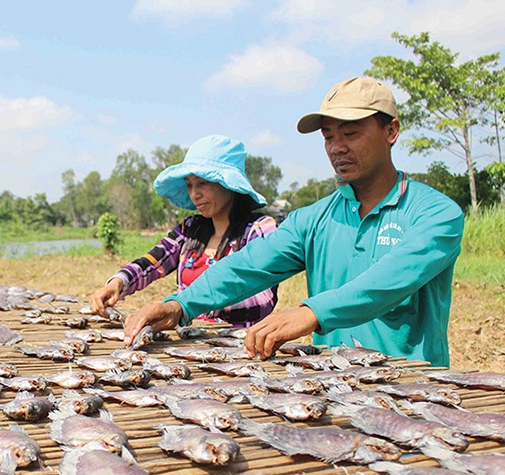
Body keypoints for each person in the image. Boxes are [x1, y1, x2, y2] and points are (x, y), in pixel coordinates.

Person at [123, 77, 465, 367]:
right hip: (334, 385)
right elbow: (248, 265)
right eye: (329, 137)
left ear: (391, 131)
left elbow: (387, 282)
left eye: (351, 133)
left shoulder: (436, 214)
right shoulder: (314, 218)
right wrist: (180, 304)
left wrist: (310, 313)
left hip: (414, 390)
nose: (337, 148)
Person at [90, 134, 278, 328]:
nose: (194, 194)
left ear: (229, 184)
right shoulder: (190, 229)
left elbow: (263, 299)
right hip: (188, 343)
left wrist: (187, 306)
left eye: (203, 183)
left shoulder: (259, 230)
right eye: (189, 185)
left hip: (238, 347)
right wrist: (118, 283)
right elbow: (151, 262)